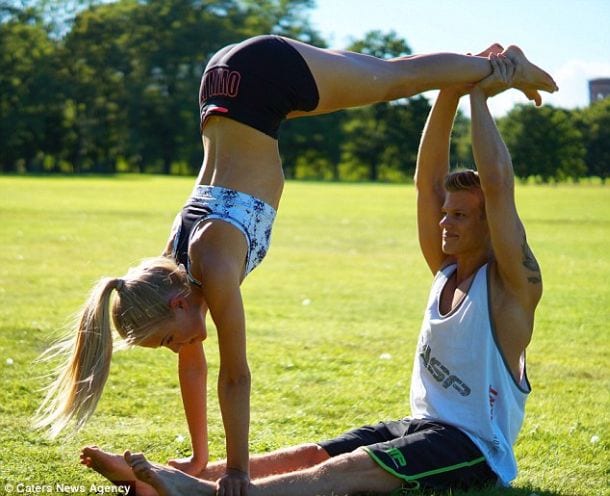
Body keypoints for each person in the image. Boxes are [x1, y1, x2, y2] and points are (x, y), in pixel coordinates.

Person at [40, 35, 554, 496]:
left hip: (259, 82)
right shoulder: (174, 267)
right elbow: (428, 186)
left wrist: (479, 95)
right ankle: (189, 479)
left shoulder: (209, 261)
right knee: (399, 75)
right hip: (234, 84)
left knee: (396, 76)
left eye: (170, 336)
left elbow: (234, 377)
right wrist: (201, 458)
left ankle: (504, 66)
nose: (182, 347)